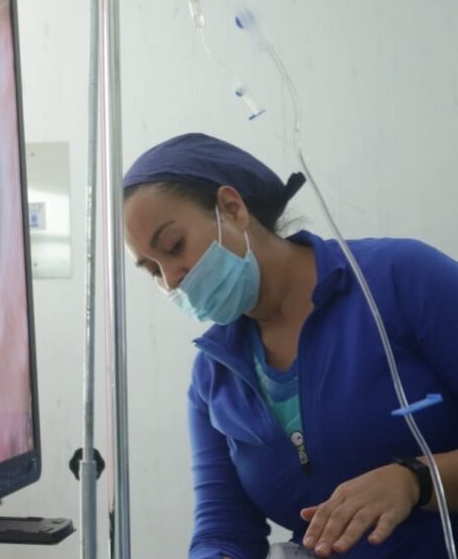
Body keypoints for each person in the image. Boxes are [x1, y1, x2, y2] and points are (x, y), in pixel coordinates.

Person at [121, 133, 458, 558]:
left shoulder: (399, 281)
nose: (172, 279)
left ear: (232, 208)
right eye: (153, 270)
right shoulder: (216, 375)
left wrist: (419, 480)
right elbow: (224, 526)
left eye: (174, 247)